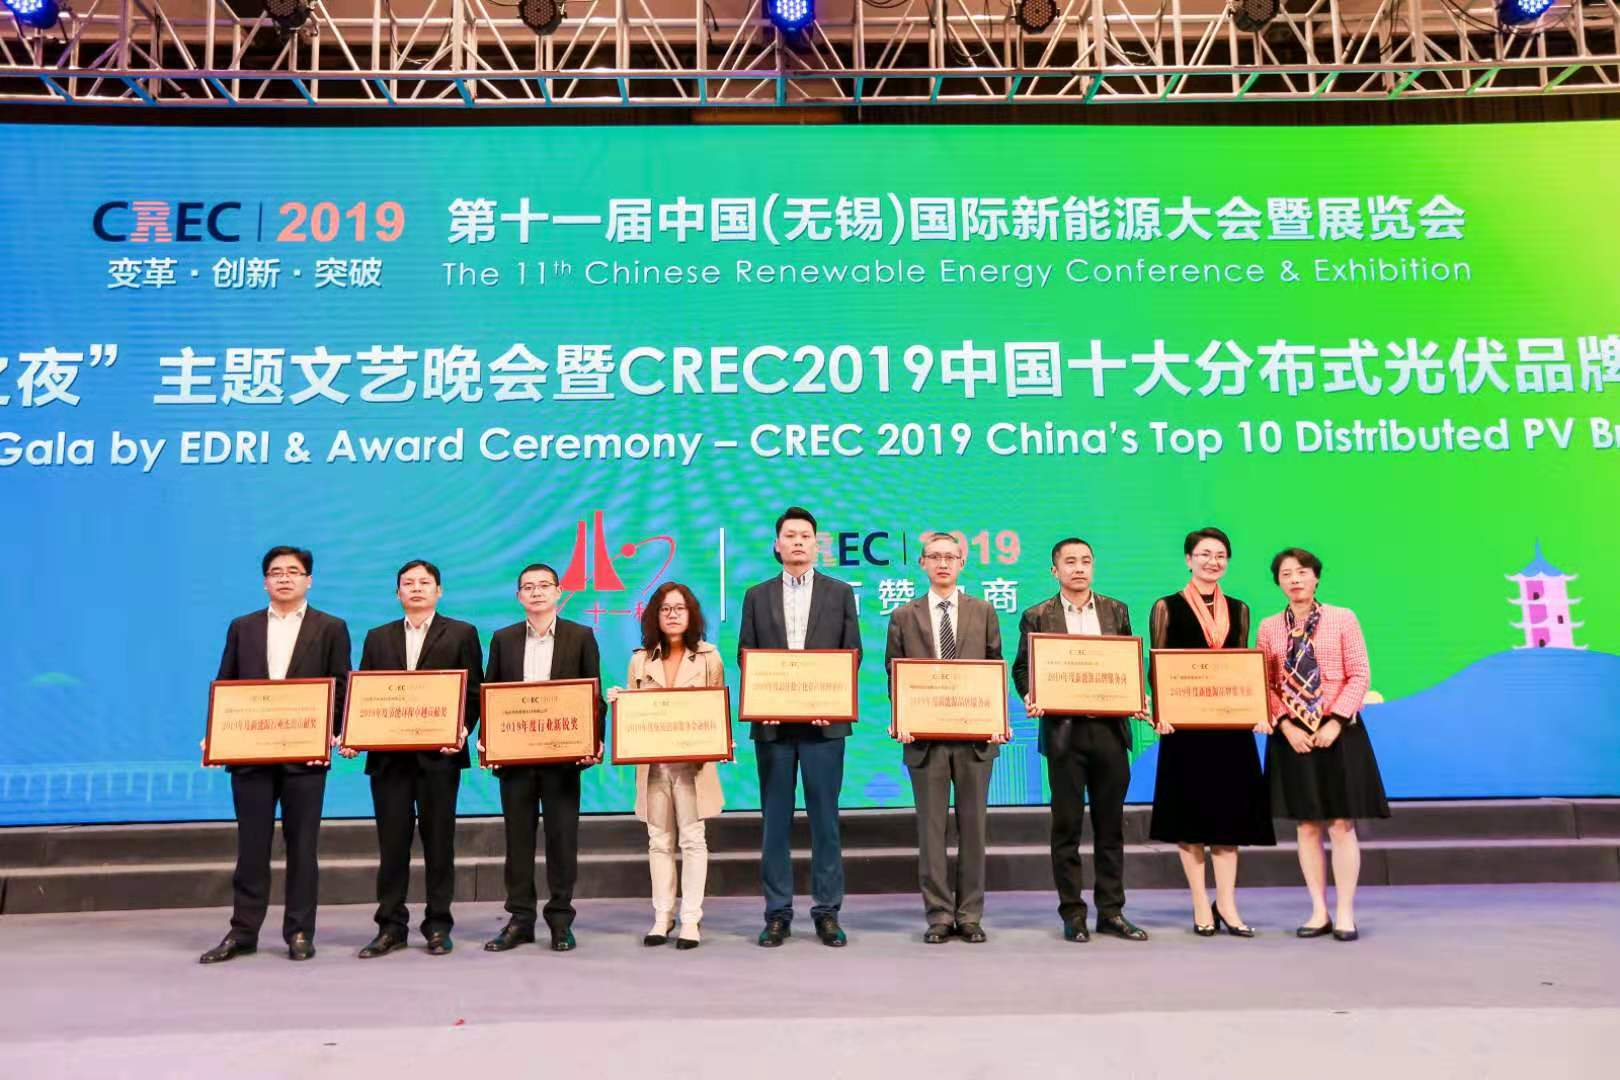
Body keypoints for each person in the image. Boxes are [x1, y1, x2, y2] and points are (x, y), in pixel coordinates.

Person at [199, 545, 351, 964]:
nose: (285, 578)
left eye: (294, 571)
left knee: (303, 848)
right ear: (265, 581)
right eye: (276, 572)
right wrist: (216, 735)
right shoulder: (242, 627)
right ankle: (243, 931)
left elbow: (340, 687)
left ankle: (299, 931)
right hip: (251, 757)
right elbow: (227, 684)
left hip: (306, 758)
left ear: (309, 580)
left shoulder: (331, 627)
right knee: (251, 848)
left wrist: (329, 734)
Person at [1012, 537, 1149, 945]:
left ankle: (1112, 911)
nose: (1079, 568)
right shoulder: (1038, 615)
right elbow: (1023, 668)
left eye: (1086, 561)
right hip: (1064, 735)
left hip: (1110, 733)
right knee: (1067, 828)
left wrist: (1135, 694)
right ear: (1054, 570)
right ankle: (1073, 913)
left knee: (1111, 828)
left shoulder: (1115, 610)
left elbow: (1127, 663)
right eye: (1070, 562)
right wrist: (1030, 694)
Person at [737, 505, 862, 948]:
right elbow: (746, 653)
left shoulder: (839, 592)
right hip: (773, 728)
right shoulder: (756, 595)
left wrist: (834, 700)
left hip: (824, 728)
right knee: (775, 824)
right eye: (789, 535)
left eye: (805, 535)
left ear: (816, 543)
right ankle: (777, 914)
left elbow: (852, 652)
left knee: (825, 823)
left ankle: (827, 912)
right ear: (777, 544)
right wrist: (762, 701)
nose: (797, 542)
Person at [347, 559, 483, 959]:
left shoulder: (461, 633)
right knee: (391, 847)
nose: (417, 588)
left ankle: (438, 925)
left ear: (439, 591)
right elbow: (366, 694)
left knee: (440, 845)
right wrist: (355, 734)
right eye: (409, 583)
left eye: (425, 582)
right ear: (398, 593)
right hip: (389, 762)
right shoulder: (378, 637)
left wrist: (462, 730)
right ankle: (390, 927)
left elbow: (474, 691)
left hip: (439, 758)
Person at [1147, 527, 1275, 937]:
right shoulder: (1166, 606)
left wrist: (1256, 710)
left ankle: (1228, 904)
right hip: (1184, 730)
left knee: (1229, 821)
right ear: (1189, 560)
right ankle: (1201, 903)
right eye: (1204, 554)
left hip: (1230, 730)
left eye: (1220, 555)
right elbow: (1157, 665)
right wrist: (1161, 712)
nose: (1212, 561)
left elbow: (1243, 667)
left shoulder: (1239, 609)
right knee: (1190, 822)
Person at [1257, 547, 1390, 943]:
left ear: (1316, 577)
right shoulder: (1269, 627)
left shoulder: (1342, 618)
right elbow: (1264, 683)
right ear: (1278, 582)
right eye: (1286, 574)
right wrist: (1285, 725)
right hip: (1293, 736)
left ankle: (1345, 912)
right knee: (1307, 825)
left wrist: (1335, 721)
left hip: (1339, 732)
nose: (1295, 579)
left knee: (1341, 824)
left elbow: (1360, 674)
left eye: (1302, 572)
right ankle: (1318, 910)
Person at [884, 532, 1006, 944]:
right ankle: (938, 914)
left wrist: (996, 718)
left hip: (975, 740)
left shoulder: (983, 611)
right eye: (934, 556)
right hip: (925, 741)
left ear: (961, 563)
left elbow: (994, 668)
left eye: (950, 556)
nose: (942, 563)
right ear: (922, 563)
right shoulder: (904, 615)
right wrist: (902, 717)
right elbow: (894, 675)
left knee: (974, 830)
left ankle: (969, 914)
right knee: (931, 832)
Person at [479, 563, 604, 953]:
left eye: (544, 586)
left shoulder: (581, 636)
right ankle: (520, 919)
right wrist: (488, 742)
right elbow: (490, 695)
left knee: (562, 841)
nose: (536, 592)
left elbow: (594, 697)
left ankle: (561, 920)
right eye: (528, 587)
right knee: (517, 842)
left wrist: (594, 740)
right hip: (515, 761)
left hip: (562, 761)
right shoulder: (503, 639)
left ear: (558, 591)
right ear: (519, 596)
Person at [607, 582, 725, 951]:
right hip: (654, 767)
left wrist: (719, 741)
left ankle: (690, 918)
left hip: (694, 766)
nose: (672, 615)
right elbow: (635, 714)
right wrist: (621, 701)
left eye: (679, 608)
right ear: (654, 616)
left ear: (692, 615)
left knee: (693, 840)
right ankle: (662, 916)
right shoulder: (640, 660)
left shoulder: (709, 658)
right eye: (665, 609)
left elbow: (718, 711)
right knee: (658, 841)